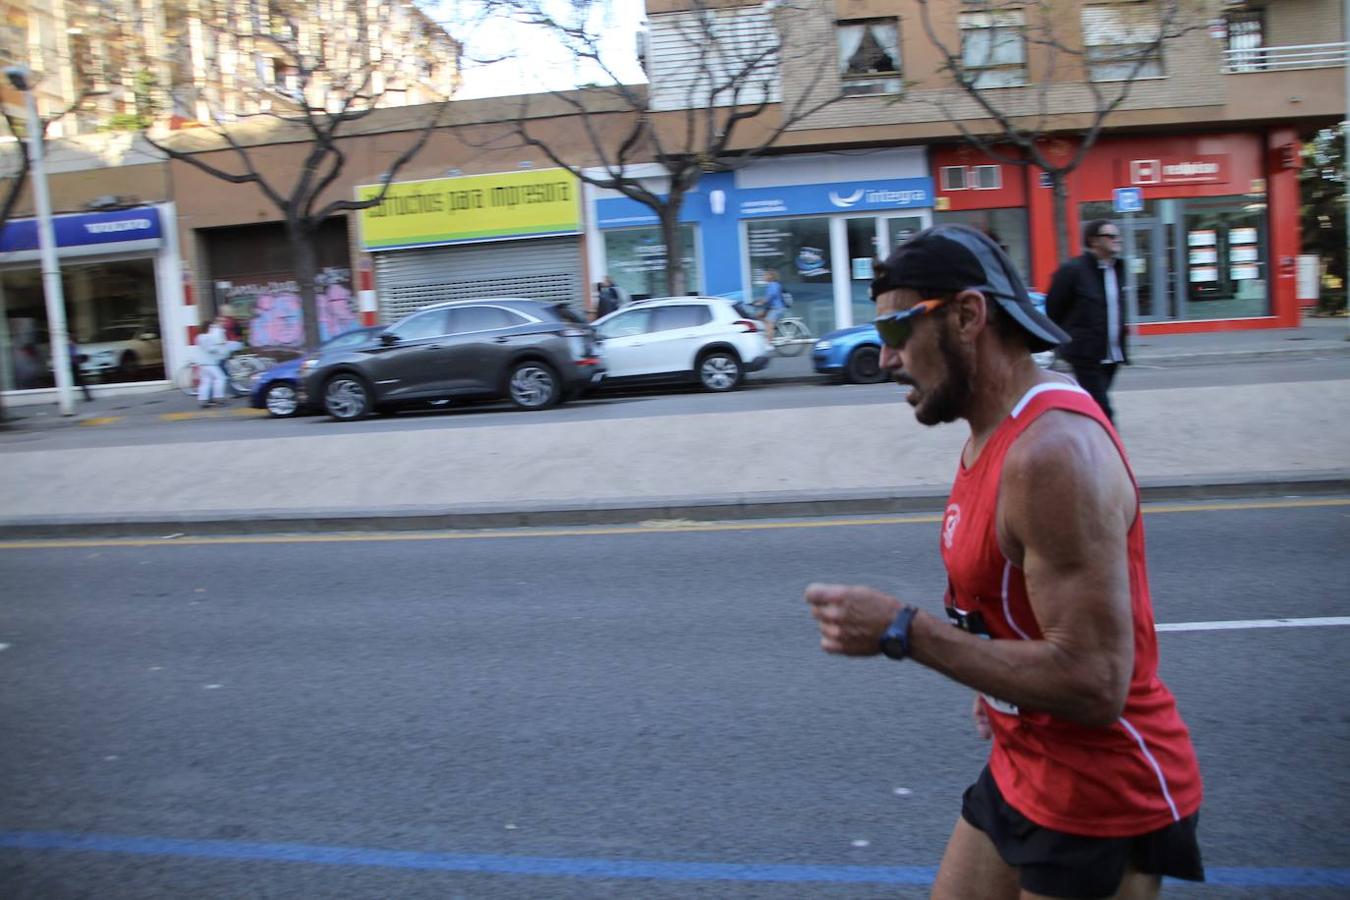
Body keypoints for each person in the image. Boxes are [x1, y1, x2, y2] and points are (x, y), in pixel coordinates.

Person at [805, 224, 1203, 900]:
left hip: (1100, 792)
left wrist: (907, 631)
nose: (884, 360)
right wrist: (1000, 685)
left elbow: (1096, 681)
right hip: (1025, 758)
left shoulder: (1051, 455)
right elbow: (1017, 614)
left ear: (967, 315)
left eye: (897, 333)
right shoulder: (991, 435)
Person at [1046, 219, 1129, 423]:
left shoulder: (1118, 269)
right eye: (1110, 236)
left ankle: (1069, 427)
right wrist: (1071, 337)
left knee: (1091, 404)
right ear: (1094, 241)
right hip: (1085, 353)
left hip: (1112, 353)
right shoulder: (1073, 270)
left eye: (1117, 236)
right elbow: (1054, 308)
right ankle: (1109, 451)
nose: (1116, 240)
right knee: (1104, 411)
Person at [194, 315, 230, 408]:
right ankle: (219, 398)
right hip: (210, 363)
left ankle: (203, 400)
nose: (212, 328)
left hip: (202, 363)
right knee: (221, 378)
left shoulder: (198, 337)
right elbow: (211, 349)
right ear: (207, 327)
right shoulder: (207, 337)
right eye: (211, 327)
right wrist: (219, 348)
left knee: (206, 381)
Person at [754, 269, 787, 343]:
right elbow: (767, 298)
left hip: (777, 308)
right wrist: (758, 301)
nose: (764, 277)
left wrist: (761, 302)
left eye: (765, 275)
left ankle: (768, 343)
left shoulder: (774, 285)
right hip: (771, 308)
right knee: (759, 316)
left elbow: (769, 297)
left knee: (769, 324)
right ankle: (766, 333)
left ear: (771, 276)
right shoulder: (770, 285)